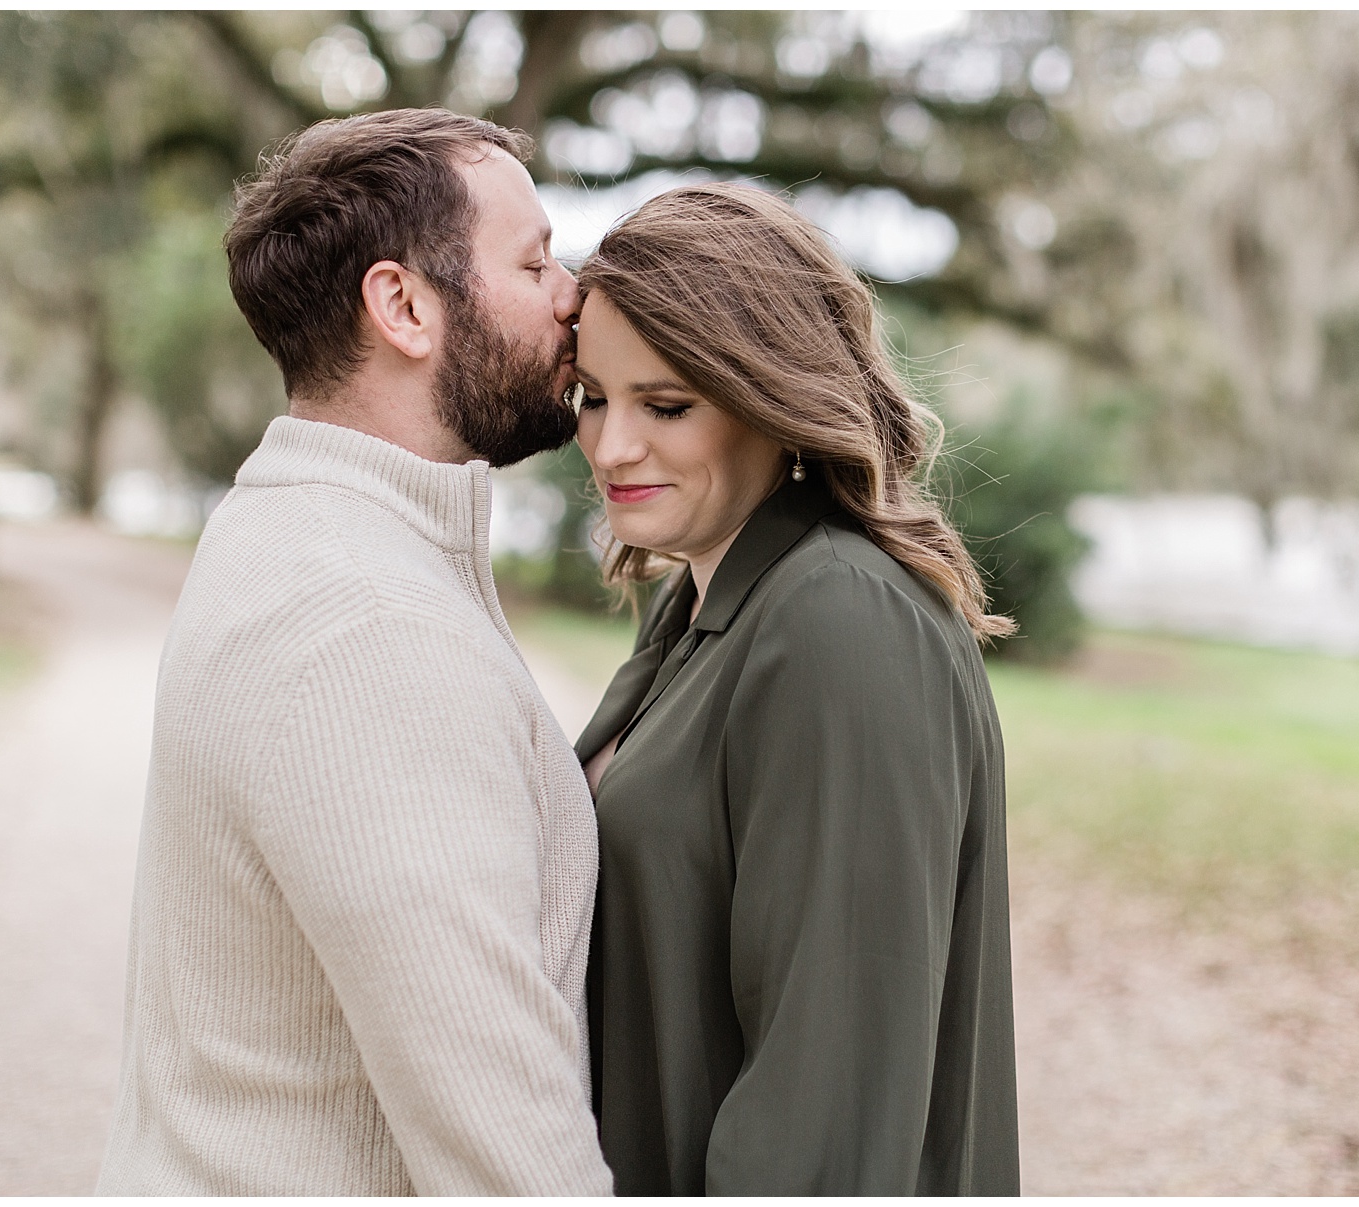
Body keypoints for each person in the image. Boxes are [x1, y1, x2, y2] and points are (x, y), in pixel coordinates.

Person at [95, 109, 612, 1195]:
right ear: (405, 305)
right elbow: (505, 1145)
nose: (573, 293)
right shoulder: (368, 626)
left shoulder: (292, 521)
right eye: (534, 261)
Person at [569, 183, 1021, 1196]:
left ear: (773, 393)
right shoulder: (696, 603)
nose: (610, 446)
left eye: (666, 403)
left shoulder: (840, 618)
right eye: (594, 397)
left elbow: (828, 1098)